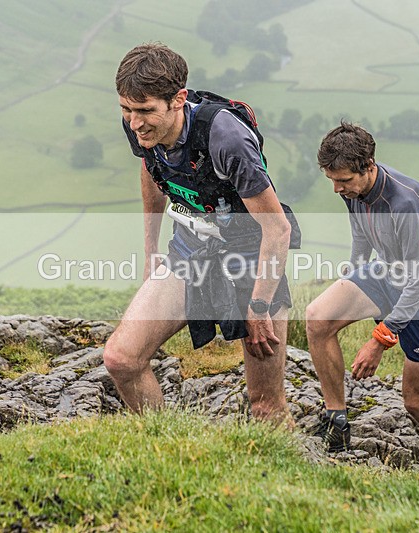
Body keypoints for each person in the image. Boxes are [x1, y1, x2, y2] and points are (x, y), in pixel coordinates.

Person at [103, 43, 295, 424]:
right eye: (126, 109)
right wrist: (151, 251)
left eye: (144, 111)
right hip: (189, 251)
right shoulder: (141, 128)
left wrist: (258, 307)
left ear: (178, 99)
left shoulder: (227, 139)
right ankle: (168, 448)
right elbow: (152, 170)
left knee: (266, 406)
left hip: (250, 257)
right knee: (121, 360)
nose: (135, 122)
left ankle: (290, 477)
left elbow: (277, 229)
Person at [305, 122, 419, 463]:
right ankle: (337, 421)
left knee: (417, 402)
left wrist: (380, 340)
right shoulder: (354, 190)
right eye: (332, 180)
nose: (336, 189)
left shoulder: (404, 203)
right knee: (317, 318)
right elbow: (362, 237)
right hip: (389, 273)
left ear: (368, 166)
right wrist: (351, 277)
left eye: (344, 181)